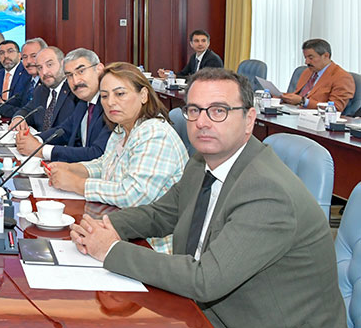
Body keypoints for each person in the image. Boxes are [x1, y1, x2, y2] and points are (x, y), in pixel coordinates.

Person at [70, 68, 345, 328]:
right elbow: (161, 214)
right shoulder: (202, 162)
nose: (202, 122)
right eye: (194, 110)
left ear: (249, 119)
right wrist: (104, 227)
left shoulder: (267, 192)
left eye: (218, 111)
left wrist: (110, 250)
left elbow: (205, 279)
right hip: (204, 308)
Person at [47, 62, 188, 253]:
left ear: (143, 95)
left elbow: (133, 194)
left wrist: (77, 183)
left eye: (120, 94)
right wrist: (72, 168)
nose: (110, 102)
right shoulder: (122, 129)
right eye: (104, 96)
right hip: (122, 229)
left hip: (151, 246)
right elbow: (105, 164)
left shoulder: (155, 133)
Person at [16, 48, 111, 163]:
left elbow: (97, 153)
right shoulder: (83, 103)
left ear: (99, 69)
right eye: (69, 75)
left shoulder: (110, 104)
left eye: (81, 71)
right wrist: (36, 139)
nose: (75, 81)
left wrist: (41, 150)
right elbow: (64, 130)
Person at [281, 38, 356, 111]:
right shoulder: (307, 71)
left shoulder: (342, 77)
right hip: (295, 112)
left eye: (311, 58)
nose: (306, 62)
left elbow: (335, 108)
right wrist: (280, 96)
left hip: (317, 117)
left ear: (326, 56)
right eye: (305, 58)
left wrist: (304, 102)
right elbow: (297, 95)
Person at [13, 46, 76, 133]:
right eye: (40, 68)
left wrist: (39, 139)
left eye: (49, 65)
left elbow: (69, 131)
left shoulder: (74, 91)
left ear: (63, 64)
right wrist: (19, 118)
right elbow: (27, 110)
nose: (44, 72)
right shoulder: (41, 90)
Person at [0, 40, 30, 118]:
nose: (5, 56)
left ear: (19, 55)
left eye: (10, 51)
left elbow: (24, 109)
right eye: (2, 53)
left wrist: (1, 107)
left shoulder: (27, 74)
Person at [157, 30, 223, 78]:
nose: (200, 44)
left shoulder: (213, 59)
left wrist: (174, 76)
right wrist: (169, 74)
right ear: (191, 44)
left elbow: (200, 79)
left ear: (208, 43)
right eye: (196, 41)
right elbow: (183, 73)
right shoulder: (194, 57)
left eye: (203, 41)